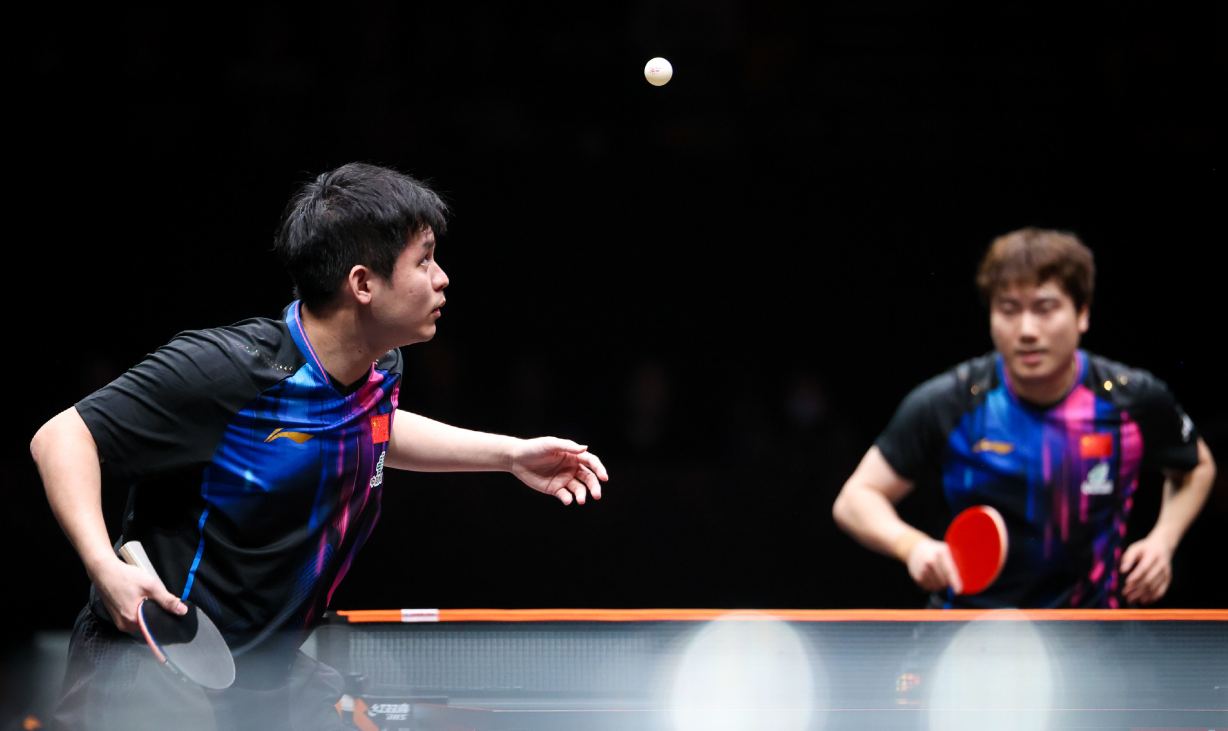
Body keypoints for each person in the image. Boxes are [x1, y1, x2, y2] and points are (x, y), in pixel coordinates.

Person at [29, 163, 609, 730]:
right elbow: (62, 436)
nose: (441, 278)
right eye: (424, 260)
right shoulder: (230, 371)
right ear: (363, 284)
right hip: (154, 659)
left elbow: (372, 427)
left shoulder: (378, 370)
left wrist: (509, 455)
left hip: (264, 676)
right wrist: (104, 566)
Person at [832, 228, 1215, 609]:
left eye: (1045, 309)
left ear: (1082, 314)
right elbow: (855, 498)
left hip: (1093, 628)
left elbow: (1197, 467)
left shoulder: (1131, 400)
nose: (1027, 331)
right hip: (968, 627)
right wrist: (911, 546)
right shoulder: (950, 403)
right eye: (1009, 310)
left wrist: (1164, 539)